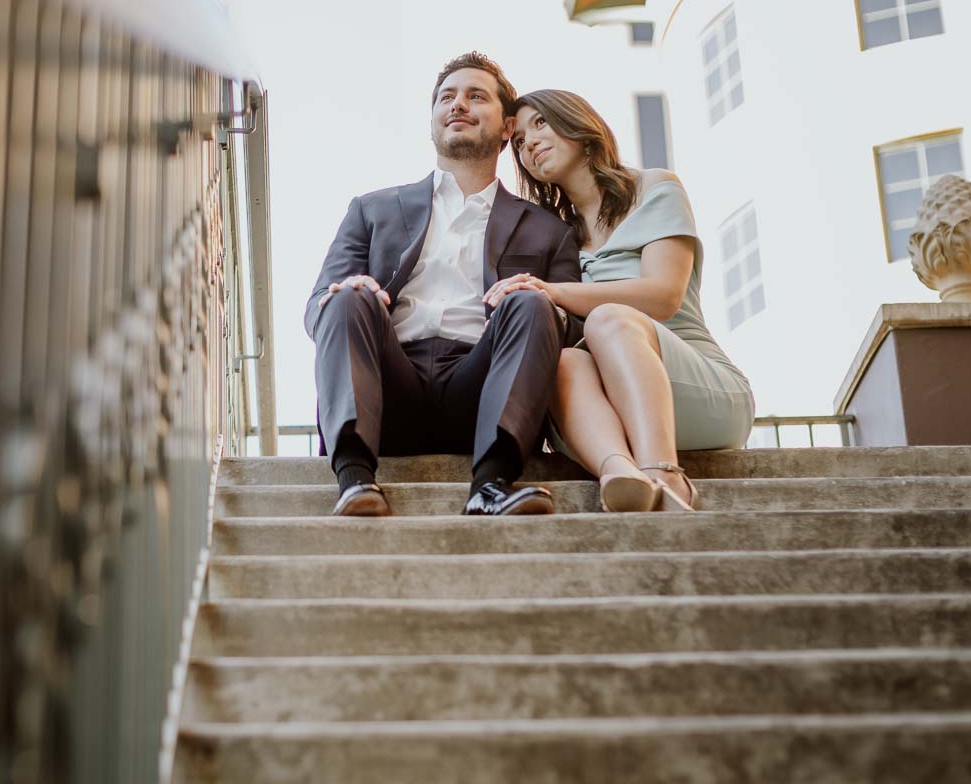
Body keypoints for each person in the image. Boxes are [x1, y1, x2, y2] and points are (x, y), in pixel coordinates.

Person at [305, 53, 580, 517]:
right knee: (347, 294)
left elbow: (571, 329)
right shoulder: (372, 210)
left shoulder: (548, 229)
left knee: (536, 302)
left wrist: (538, 299)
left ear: (507, 126)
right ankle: (353, 479)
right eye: (447, 97)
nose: (458, 105)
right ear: (431, 121)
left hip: (485, 388)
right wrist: (355, 292)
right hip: (389, 387)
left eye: (476, 96)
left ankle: (492, 485)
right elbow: (317, 310)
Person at [486, 88, 754, 512]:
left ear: (580, 125)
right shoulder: (552, 235)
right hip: (595, 413)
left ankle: (665, 474)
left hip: (696, 391)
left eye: (541, 123)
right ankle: (621, 475)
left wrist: (555, 291)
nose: (529, 143)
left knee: (611, 319)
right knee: (562, 359)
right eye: (518, 141)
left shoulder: (655, 188)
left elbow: (664, 295)